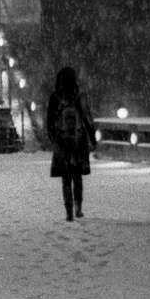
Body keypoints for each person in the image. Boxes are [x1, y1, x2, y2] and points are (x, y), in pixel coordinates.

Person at [45, 66, 96, 221]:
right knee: (77, 176)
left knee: (65, 178)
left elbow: (49, 121)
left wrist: (54, 138)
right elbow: (87, 118)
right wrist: (92, 138)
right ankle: (78, 208)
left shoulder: (55, 97)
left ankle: (68, 211)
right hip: (78, 140)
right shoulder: (80, 96)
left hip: (62, 141)